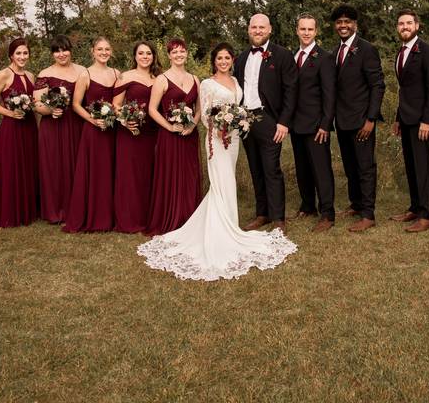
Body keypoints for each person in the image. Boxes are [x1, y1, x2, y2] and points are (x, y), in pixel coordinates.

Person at [138, 43, 297, 281]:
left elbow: (239, 107)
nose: (223, 61)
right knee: (221, 180)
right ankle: (222, 229)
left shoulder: (236, 82)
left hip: (233, 139)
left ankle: (229, 222)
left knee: (228, 180)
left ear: (232, 60)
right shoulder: (207, 83)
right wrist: (218, 127)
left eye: (227, 58)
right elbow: (204, 113)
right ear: (214, 61)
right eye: (219, 58)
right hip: (217, 139)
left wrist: (237, 123)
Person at [233, 14, 298, 232]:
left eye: (262, 27)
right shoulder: (240, 58)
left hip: (269, 120)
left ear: (270, 29)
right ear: (248, 29)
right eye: (254, 27)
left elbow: (291, 91)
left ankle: (278, 218)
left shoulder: (282, 55)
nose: (258, 31)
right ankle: (263, 214)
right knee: (255, 168)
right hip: (245, 120)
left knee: (271, 169)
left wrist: (283, 122)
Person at [331, 4, 385, 232]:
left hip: (362, 121)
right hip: (342, 121)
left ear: (355, 24)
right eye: (339, 22)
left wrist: (371, 119)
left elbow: (377, 85)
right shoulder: (335, 52)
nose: (343, 25)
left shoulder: (366, 49)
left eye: (347, 22)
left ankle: (368, 214)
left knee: (365, 167)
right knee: (350, 166)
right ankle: (356, 203)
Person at [145, 38, 202, 236]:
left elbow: (199, 110)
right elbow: (152, 110)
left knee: (189, 176)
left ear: (187, 54)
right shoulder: (162, 79)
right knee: (170, 176)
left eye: (182, 51)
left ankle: (189, 217)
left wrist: (192, 125)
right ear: (169, 56)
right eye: (174, 52)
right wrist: (170, 127)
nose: (179, 55)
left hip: (189, 136)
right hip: (169, 137)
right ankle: (171, 217)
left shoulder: (195, 79)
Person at [390, 9, 429, 233]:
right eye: (401, 24)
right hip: (407, 117)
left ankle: (426, 215)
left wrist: (428, 120)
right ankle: (415, 207)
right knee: (410, 166)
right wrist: (398, 118)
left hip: (422, 121)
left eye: (409, 23)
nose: (405, 27)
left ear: (417, 26)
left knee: (422, 167)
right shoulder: (401, 52)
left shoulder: (427, 51)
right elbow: (405, 90)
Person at [64, 37, 120, 233]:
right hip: (93, 131)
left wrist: (114, 115)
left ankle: (112, 215)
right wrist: (92, 119)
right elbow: (76, 104)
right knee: (95, 171)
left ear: (111, 51)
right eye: (99, 49)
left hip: (112, 130)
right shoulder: (85, 75)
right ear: (92, 51)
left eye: (107, 49)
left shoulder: (117, 74)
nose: (103, 52)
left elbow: (119, 103)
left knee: (112, 170)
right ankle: (95, 215)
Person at [289, 14, 336, 233]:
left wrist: (325, 124)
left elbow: (330, 94)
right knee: (302, 168)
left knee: (321, 170)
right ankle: (308, 206)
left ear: (316, 31)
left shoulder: (324, 57)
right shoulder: (293, 56)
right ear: (297, 31)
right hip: (296, 124)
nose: (306, 33)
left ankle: (327, 213)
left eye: (310, 29)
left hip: (317, 125)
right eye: (302, 29)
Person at [33, 35, 87, 224]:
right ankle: (55, 210)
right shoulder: (45, 73)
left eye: (65, 50)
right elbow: (37, 104)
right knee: (54, 167)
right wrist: (50, 110)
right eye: (57, 51)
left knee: (75, 165)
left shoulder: (82, 71)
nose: (61, 54)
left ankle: (76, 208)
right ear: (52, 53)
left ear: (71, 50)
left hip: (76, 124)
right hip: (53, 126)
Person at [0, 37, 39, 228]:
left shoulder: (31, 76)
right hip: (12, 126)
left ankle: (28, 210)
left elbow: (34, 101)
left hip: (29, 125)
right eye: (18, 53)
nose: (22, 56)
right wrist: (10, 113)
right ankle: (10, 212)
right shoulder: (3, 75)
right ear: (11, 55)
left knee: (28, 165)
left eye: (25, 53)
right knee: (12, 167)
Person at [112, 41, 160, 233]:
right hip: (130, 132)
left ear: (153, 56)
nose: (145, 56)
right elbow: (116, 104)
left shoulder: (158, 79)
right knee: (130, 175)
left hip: (152, 133)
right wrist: (124, 120)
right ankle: (129, 218)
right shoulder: (126, 76)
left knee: (149, 174)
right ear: (135, 56)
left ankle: (148, 217)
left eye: (148, 53)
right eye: (141, 53)